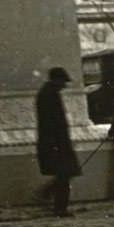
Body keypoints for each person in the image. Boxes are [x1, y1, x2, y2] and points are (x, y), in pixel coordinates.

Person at [35, 66, 80, 217]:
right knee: (65, 175)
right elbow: (56, 123)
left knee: (64, 175)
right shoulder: (50, 95)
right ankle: (59, 207)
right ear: (57, 80)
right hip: (57, 143)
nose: (64, 85)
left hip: (52, 142)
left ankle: (50, 195)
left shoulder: (46, 93)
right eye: (63, 81)